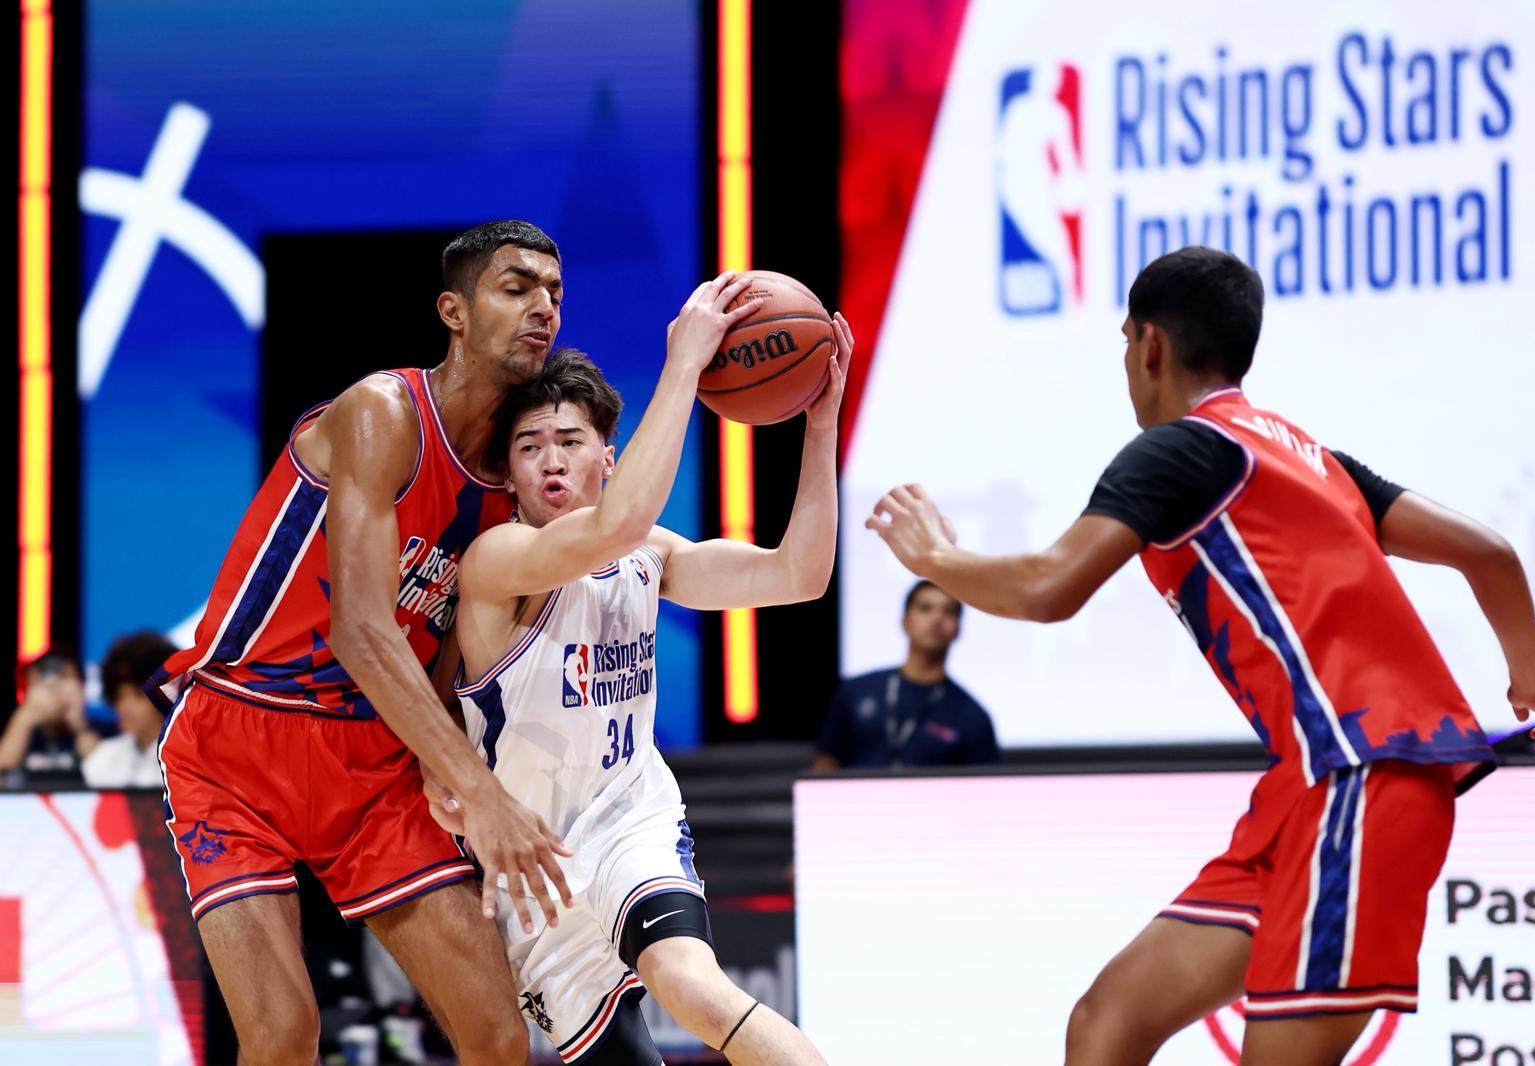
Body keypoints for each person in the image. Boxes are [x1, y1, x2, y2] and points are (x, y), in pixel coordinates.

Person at [864, 245, 1535, 1066]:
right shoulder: (1311, 457)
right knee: (1106, 1024)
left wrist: (934, 559)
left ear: (1149, 348)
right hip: (1308, 788)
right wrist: (1534, 683)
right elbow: (1490, 552)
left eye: (1125, 343)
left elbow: (1048, 589)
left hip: (1363, 776)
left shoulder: (1180, 450)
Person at [147, 220, 577, 1065]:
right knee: (281, 1035)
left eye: (556, 294)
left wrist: (444, 759)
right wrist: (482, 794)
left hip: (374, 759)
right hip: (239, 737)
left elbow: (446, 640)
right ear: (453, 309)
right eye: (517, 287)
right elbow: (362, 629)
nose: (543, 308)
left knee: (497, 1034)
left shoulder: (509, 477)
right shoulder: (383, 411)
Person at [433, 275, 843, 1064]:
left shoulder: (650, 555)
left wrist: (818, 425)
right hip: (535, 868)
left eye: (570, 442)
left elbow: (799, 575)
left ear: (609, 456)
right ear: (509, 474)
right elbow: (616, 524)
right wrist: (683, 365)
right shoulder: (499, 560)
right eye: (529, 448)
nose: (550, 462)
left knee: (692, 984)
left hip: (629, 823)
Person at [813, 579, 997, 769]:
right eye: (925, 608)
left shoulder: (973, 716)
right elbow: (825, 765)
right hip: (856, 799)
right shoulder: (856, 691)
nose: (937, 618)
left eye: (948, 611)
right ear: (905, 621)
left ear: (958, 628)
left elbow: (984, 791)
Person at [82, 630, 178, 788]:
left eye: (138, 695)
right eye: (120, 696)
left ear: (168, 695)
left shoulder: (191, 761)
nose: (125, 706)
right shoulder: (102, 758)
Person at [0, 650, 96, 788]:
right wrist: (23, 719)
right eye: (43, 684)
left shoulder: (105, 729)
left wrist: (79, 723)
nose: (54, 693)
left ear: (81, 686)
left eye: (64, 681)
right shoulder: (19, 734)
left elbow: (107, 776)